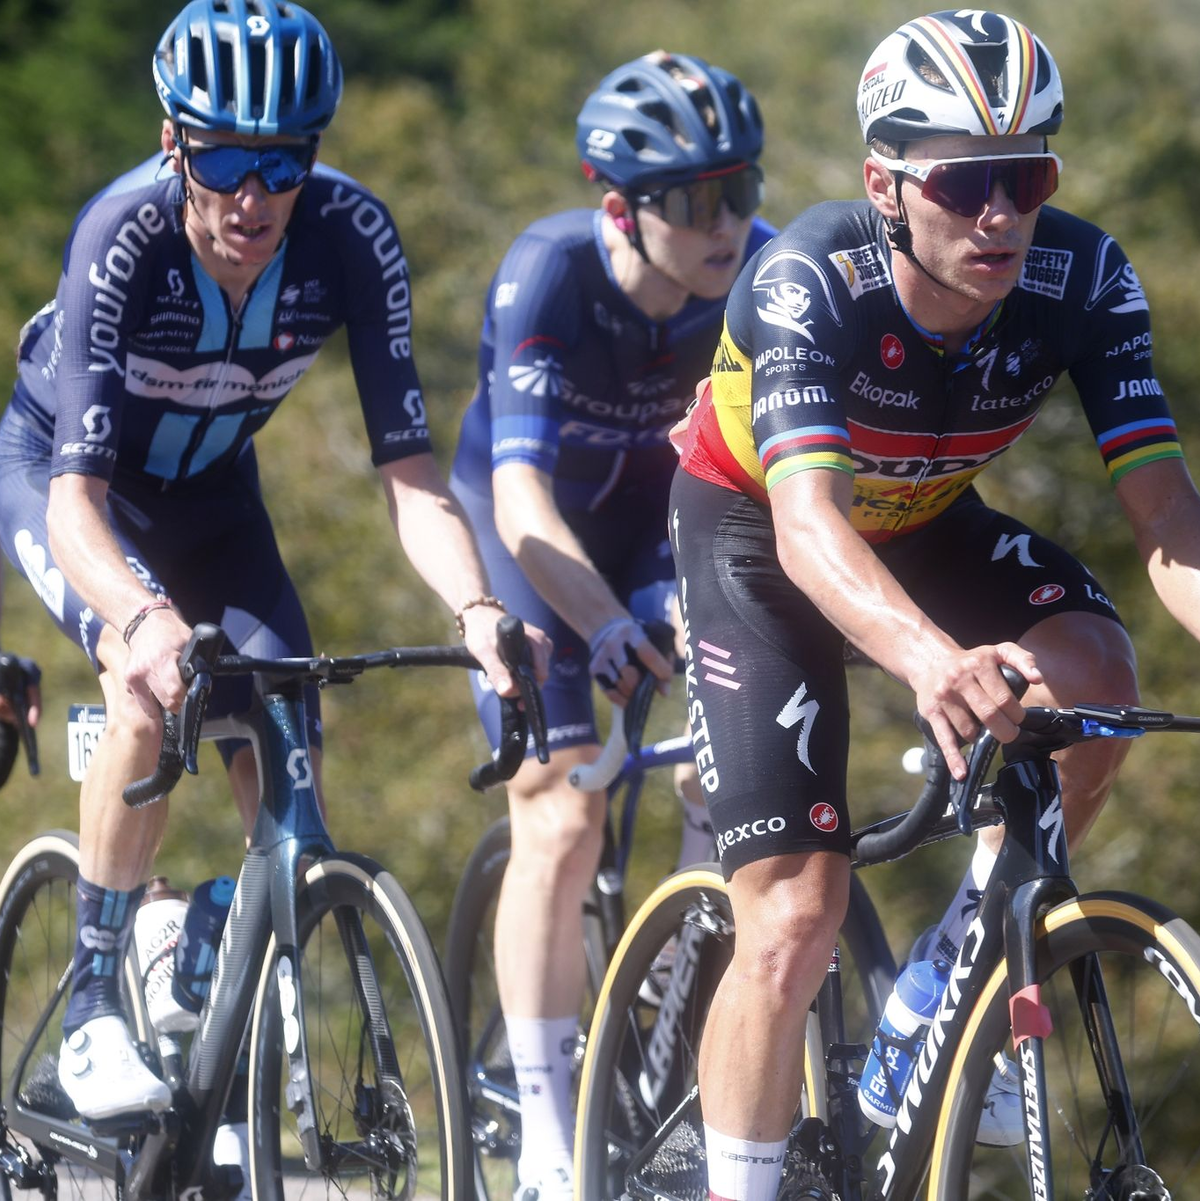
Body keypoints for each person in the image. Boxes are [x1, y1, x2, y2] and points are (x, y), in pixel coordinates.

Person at [668, 9, 1200, 1199]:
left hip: (918, 518)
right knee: (798, 913)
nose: (1001, 212)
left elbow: (1170, 520)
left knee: (1098, 677)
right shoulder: (812, 273)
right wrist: (928, 658)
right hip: (760, 536)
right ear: (887, 183)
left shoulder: (1083, 275)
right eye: (967, 182)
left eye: (1029, 174)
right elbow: (808, 531)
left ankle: (939, 990)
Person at [0, 0, 548, 1126]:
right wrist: (142, 624)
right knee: (145, 701)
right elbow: (75, 503)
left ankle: (202, 934)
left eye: (283, 162)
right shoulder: (126, 236)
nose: (253, 197)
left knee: (291, 737)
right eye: (226, 160)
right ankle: (97, 999)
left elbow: (409, 476)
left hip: (214, 504)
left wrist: (479, 607)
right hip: (73, 487)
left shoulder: (353, 237)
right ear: (174, 144)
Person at [448, 51, 774, 1201]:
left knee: (734, 786)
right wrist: (594, 628)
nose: (727, 220)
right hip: (541, 534)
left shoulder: (762, 274)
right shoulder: (549, 274)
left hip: (668, 530)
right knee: (563, 805)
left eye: (741, 186)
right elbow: (524, 500)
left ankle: (673, 995)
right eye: (692, 200)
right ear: (620, 209)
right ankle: (544, 1137)